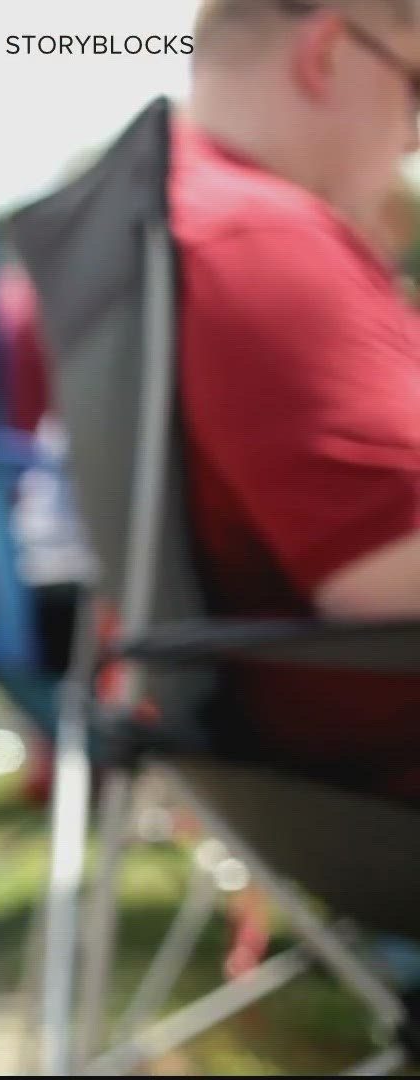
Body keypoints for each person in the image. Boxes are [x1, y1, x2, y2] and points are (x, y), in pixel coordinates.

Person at [161, 0, 420, 802]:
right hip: (376, 778)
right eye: (417, 90)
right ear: (329, 52)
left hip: (291, 772)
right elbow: (390, 572)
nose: (412, 136)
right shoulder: (258, 238)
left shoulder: (186, 212)